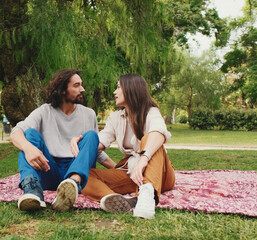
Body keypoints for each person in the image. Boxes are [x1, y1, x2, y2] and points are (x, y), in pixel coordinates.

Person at [10, 69, 116, 212]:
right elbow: (16, 132)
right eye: (76, 85)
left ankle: (71, 186)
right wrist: (28, 148)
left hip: (77, 169)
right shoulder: (44, 111)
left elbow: (93, 151)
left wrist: (118, 170)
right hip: (48, 168)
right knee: (29, 134)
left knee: (91, 136)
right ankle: (32, 191)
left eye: (81, 85)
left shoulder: (89, 114)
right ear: (63, 90)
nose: (82, 89)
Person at [72, 74, 175, 219]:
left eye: (118, 87)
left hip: (160, 173)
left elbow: (159, 132)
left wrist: (143, 159)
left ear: (131, 89)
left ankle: (147, 195)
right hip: (133, 173)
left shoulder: (151, 112)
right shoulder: (115, 118)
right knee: (84, 176)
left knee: (150, 138)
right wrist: (82, 142)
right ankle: (117, 200)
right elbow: (101, 140)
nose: (114, 92)